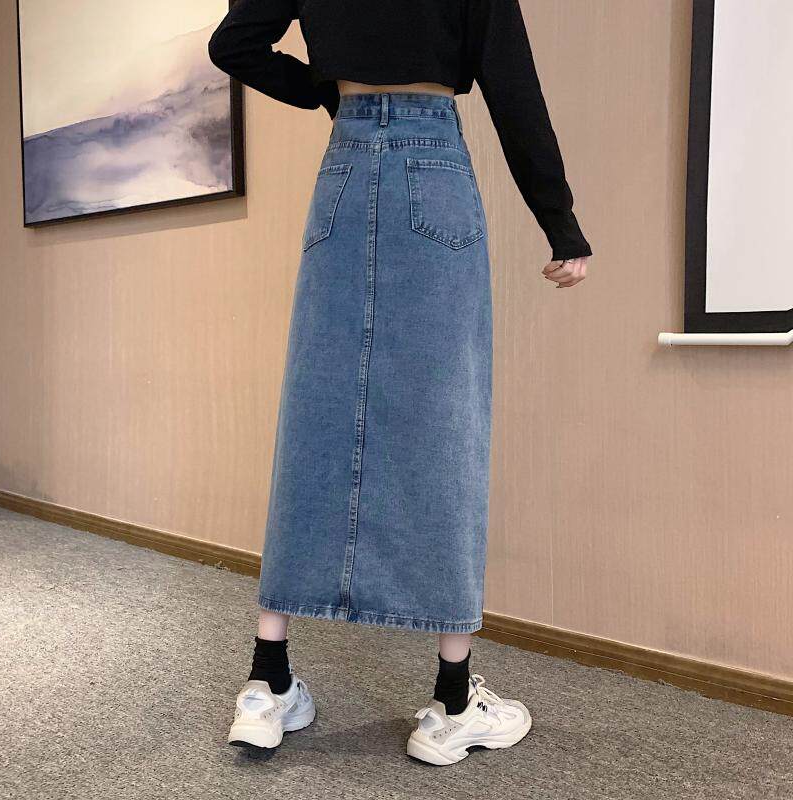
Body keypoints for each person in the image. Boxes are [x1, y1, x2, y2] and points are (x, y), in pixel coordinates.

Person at [208, 0, 591, 766]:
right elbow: (512, 86)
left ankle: (266, 681)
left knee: (317, 414)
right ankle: (453, 700)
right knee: (445, 425)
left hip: (346, 169)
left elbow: (235, 43)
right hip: (433, 161)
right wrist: (560, 220)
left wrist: (324, 88)